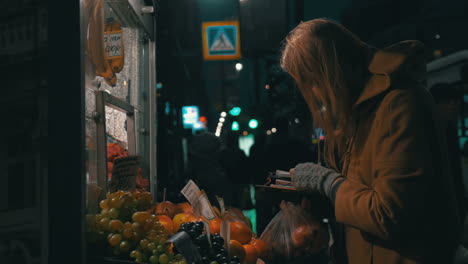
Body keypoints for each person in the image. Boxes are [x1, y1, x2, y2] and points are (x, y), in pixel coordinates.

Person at [281, 19, 462, 263]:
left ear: (332, 70)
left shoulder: (398, 104)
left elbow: (390, 215)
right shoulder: (358, 111)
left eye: (313, 81)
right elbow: (361, 194)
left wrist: (328, 183)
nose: (314, 93)